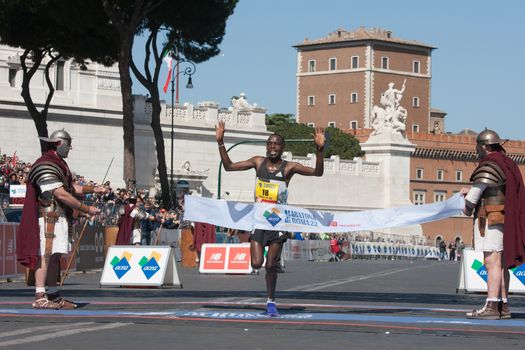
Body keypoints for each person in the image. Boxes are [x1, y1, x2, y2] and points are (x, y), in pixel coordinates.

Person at [215, 120, 325, 317]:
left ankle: (271, 301)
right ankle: (270, 263)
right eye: (269, 143)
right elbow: (229, 166)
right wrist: (221, 143)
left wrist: (319, 150)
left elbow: (318, 173)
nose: (272, 146)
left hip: (277, 223)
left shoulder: (289, 167)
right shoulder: (258, 162)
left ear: (282, 147)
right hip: (259, 222)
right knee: (256, 264)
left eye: (276, 144)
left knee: (269, 266)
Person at [16, 129, 105, 309]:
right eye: (68, 145)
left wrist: (93, 189)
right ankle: (40, 295)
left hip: (59, 217)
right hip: (47, 217)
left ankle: (54, 295)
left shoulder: (60, 165)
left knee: (55, 256)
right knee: (45, 255)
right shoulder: (44, 164)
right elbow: (61, 194)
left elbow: (71, 188)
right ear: (59, 144)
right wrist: (86, 208)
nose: (70, 148)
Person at [461, 129, 525, 320]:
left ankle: (491, 305)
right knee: (501, 263)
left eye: (479, 146)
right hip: (504, 218)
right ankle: (503, 305)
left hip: (491, 218)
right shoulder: (507, 164)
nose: (477, 150)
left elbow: (473, 197)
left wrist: (465, 205)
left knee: (492, 263)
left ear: (485, 146)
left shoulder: (489, 164)